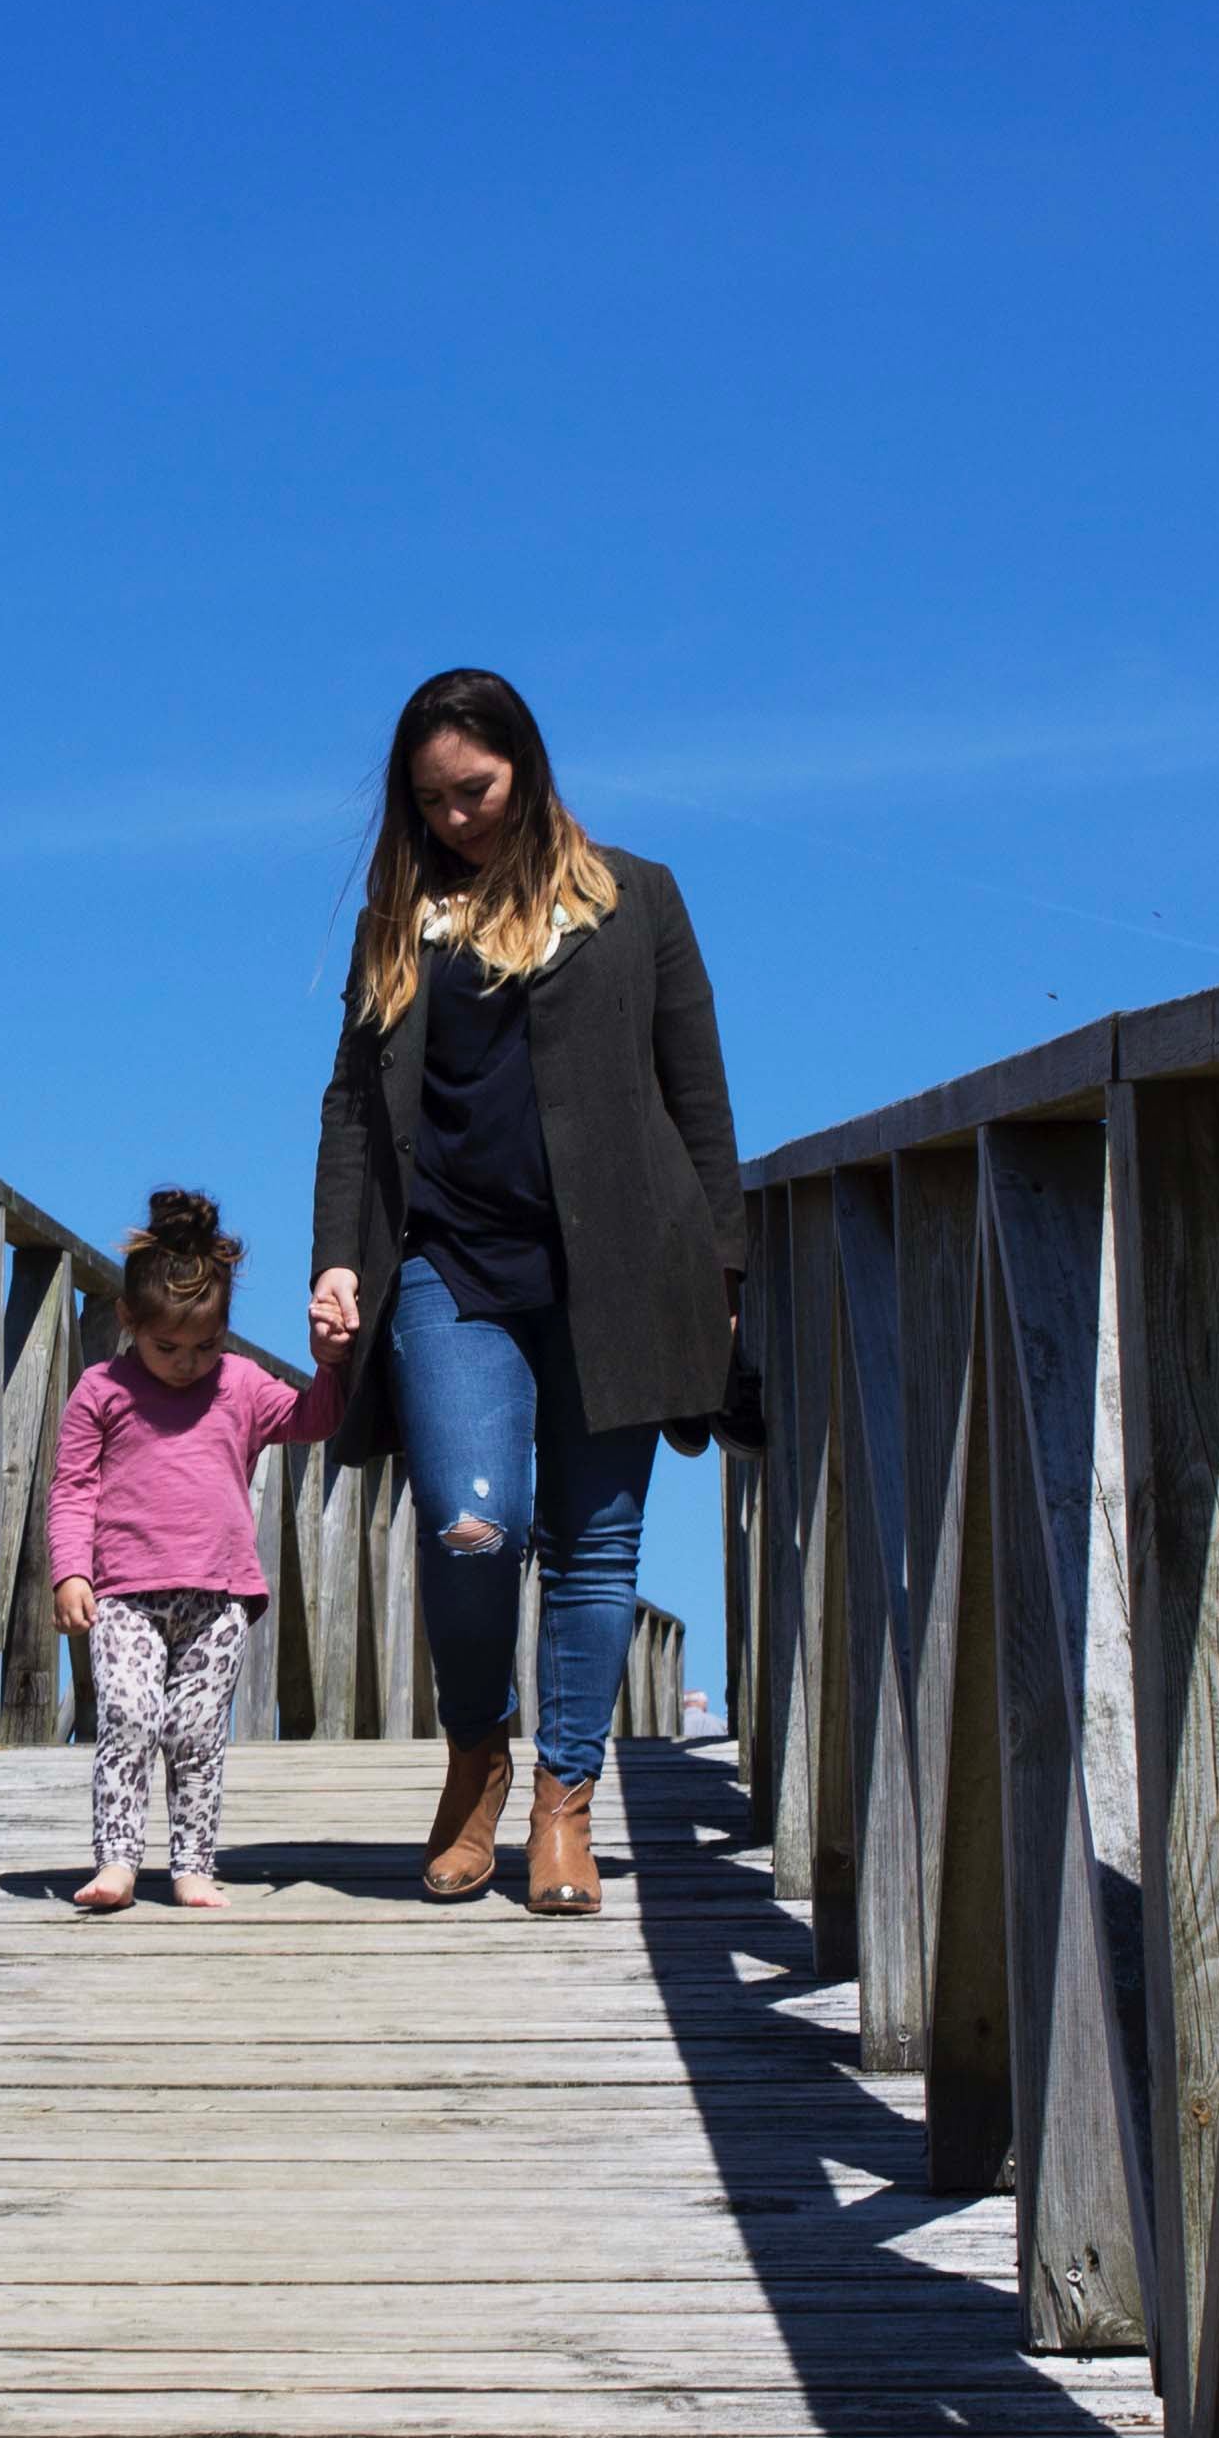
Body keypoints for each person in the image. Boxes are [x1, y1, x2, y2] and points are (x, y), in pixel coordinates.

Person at [309, 670, 744, 1916]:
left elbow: (697, 1096)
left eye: (475, 791)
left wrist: (721, 1270)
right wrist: (336, 1254)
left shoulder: (637, 900)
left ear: (528, 767)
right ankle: (476, 1753)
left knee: (596, 1547)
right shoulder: (398, 924)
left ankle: (565, 1802)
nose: (455, 819)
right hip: (449, 1264)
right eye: (430, 801)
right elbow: (350, 1104)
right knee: (470, 1521)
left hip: (624, 1269)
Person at [51, 1190, 348, 1913]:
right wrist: (70, 1571)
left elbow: (316, 1419)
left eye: (206, 1345)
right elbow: (71, 1489)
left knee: (195, 1733)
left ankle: (191, 1864)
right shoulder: (102, 1391)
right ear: (129, 1322)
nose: (187, 1364)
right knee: (126, 1714)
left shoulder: (241, 1385)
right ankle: (118, 1861)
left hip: (217, 1597)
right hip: (124, 1593)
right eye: (166, 1347)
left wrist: (329, 1364)